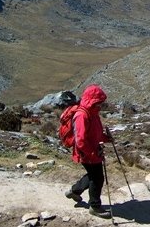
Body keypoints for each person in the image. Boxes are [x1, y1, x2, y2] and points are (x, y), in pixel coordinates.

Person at [64, 84, 113, 219]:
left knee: (93, 175)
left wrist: (105, 138)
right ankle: (95, 207)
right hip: (86, 152)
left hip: (92, 150)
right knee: (97, 178)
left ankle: (74, 191)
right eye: (98, 102)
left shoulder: (93, 113)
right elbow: (80, 140)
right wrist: (91, 154)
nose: (100, 105)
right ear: (92, 100)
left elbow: (95, 133)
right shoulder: (82, 115)